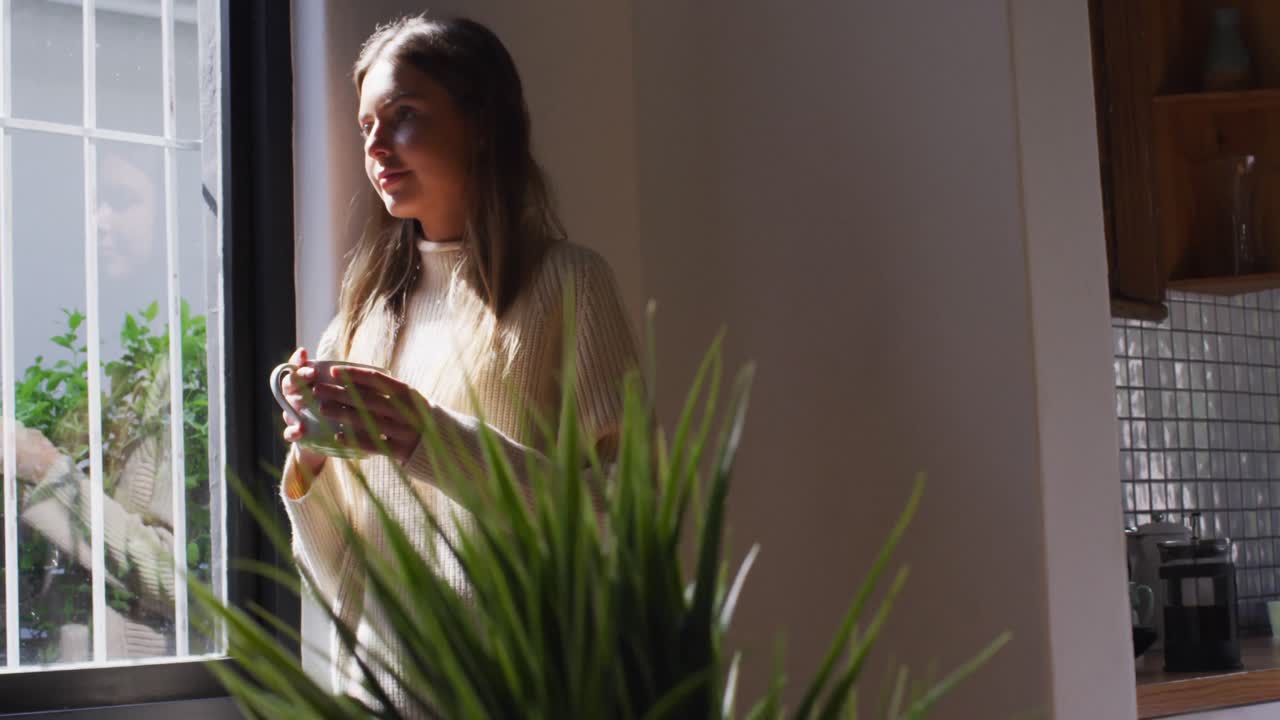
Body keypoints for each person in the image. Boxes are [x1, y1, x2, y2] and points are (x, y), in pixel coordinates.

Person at [276, 14, 638, 714]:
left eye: (404, 115)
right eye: (365, 126)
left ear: (481, 121)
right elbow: (339, 580)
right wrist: (310, 470)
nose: (376, 144)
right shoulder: (360, 322)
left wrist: (430, 443)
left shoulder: (568, 286)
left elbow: (627, 519)